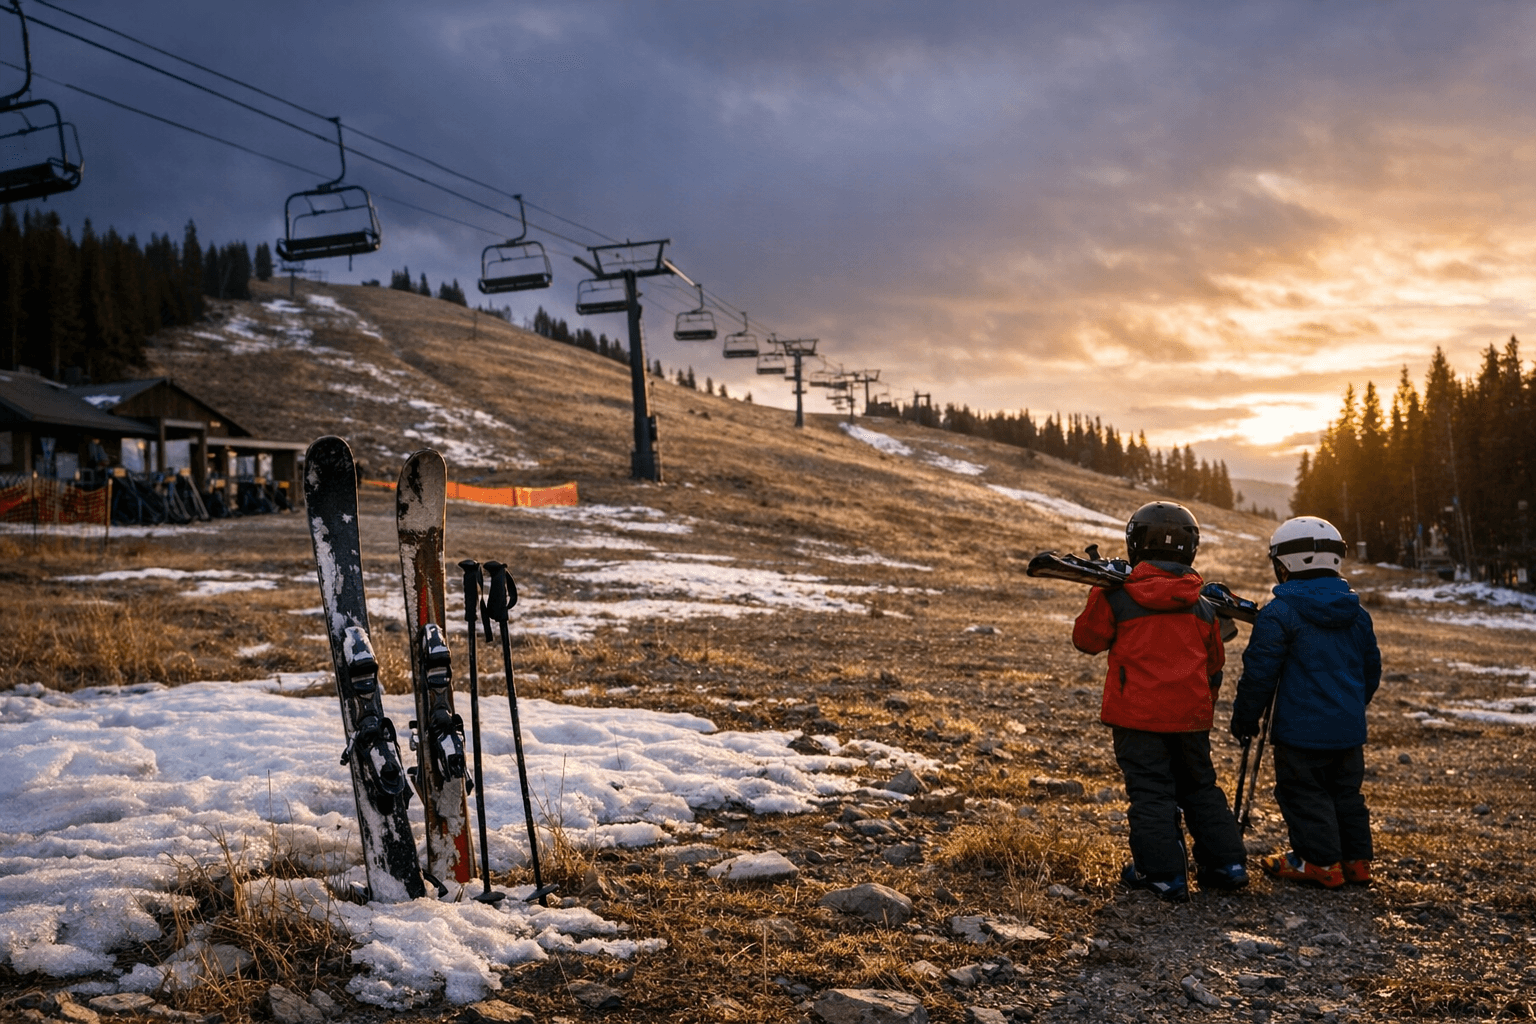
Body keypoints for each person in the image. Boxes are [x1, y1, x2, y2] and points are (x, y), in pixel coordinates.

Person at [1072, 501, 1249, 902]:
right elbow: (1215, 664)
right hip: (1190, 719)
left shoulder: (1118, 596)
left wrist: (1099, 591)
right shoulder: (1203, 605)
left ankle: (1162, 875)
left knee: (1151, 792)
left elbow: (1086, 641)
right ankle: (1227, 865)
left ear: (1135, 544)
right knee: (1201, 787)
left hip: (1136, 718)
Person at [1230, 516, 1382, 888]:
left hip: (1299, 733)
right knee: (1346, 793)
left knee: (1304, 793)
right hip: (1348, 729)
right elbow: (1371, 669)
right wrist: (1349, 707)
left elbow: (1260, 673)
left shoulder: (1279, 613)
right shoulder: (1357, 614)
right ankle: (1356, 861)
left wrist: (1245, 717)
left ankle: (1318, 862)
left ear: (1286, 564)